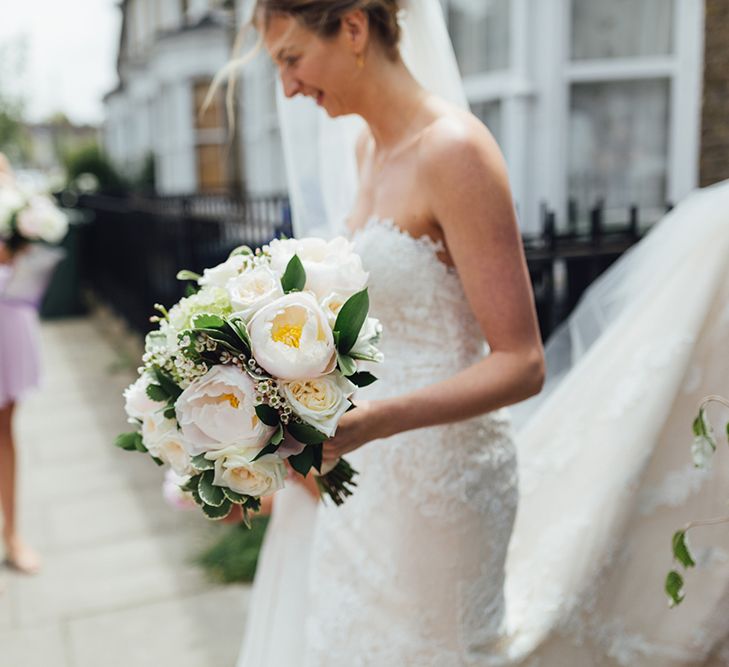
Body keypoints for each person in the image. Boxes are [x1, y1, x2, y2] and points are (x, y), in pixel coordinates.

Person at [235, 2, 729, 665]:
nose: (288, 87)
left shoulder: (455, 152)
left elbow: (520, 362)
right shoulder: (365, 148)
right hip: (364, 475)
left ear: (353, 29)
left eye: (291, 60)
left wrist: (375, 421)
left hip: (442, 481)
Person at [0, 154, 42, 575]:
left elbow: (22, 247)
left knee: (4, 428)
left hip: (6, 311)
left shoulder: (3, 169)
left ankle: (12, 534)